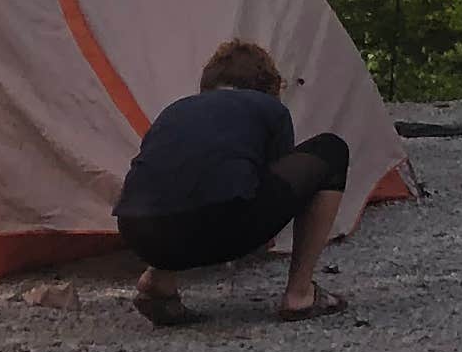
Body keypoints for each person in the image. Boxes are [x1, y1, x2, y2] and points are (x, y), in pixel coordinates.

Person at [115, 39, 352, 325]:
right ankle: (300, 294)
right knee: (331, 150)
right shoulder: (268, 108)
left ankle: (157, 281)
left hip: (137, 231)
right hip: (223, 222)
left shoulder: (177, 108)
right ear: (269, 85)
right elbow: (277, 174)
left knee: (180, 185)